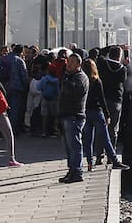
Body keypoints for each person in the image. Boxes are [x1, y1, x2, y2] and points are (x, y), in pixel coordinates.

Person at [81, 59, 129, 172]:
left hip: (85, 112)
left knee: (88, 140)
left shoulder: (82, 80)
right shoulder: (97, 81)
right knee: (105, 138)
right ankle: (114, 160)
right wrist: (107, 115)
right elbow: (102, 99)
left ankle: (89, 163)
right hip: (97, 112)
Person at [57, 53, 89, 184]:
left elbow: (71, 91)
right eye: (68, 62)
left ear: (78, 65)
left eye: (71, 62)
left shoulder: (80, 78)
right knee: (69, 146)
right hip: (66, 114)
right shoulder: (69, 76)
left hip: (74, 115)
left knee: (75, 145)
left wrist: (65, 80)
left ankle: (77, 171)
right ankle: (71, 170)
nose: (68, 65)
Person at [96, 45, 127, 163]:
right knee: (113, 129)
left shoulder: (103, 64)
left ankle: (99, 155)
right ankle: (111, 155)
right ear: (119, 56)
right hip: (116, 101)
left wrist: (114, 47)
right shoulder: (123, 69)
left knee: (101, 128)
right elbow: (124, 82)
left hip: (103, 99)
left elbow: (100, 53)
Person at [0, 44, 28, 135]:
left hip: (3, 87)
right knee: (14, 110)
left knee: (3, 109)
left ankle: (1, 130)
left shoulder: (3, 59)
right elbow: (24, 76)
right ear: (21, 51)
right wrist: (25, 86)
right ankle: (11, 130)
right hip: (16, 88)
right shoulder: (20, 61)